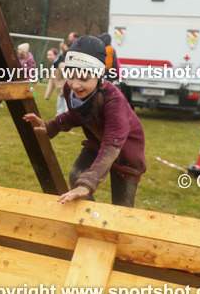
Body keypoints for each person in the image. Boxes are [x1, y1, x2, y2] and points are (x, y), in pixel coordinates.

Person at [23, 35, 146, 207]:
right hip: (98, 141)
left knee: (122, 209)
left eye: (84, 79)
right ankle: (93, 219)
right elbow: (74, 115)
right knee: (77, 176)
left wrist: (89, 183)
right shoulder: (70, 89)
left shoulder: (113, 100)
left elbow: (112, 145)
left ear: (99, 77)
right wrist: (50, 127)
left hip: (125, 149)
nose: (75, 85)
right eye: (71, 76)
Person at [44, 47, 68, 116]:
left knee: (66, 108)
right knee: (60, 107)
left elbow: (68, 78)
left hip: (65, 90)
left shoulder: (61, 64)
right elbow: (52, 80)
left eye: (50, 55)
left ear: (56, 55)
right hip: (60, 90)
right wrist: (47, 95)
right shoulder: (54, 65)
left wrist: (64, 87)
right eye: (48, 55)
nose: (48, 57)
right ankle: (60, 119)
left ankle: (65, 121)